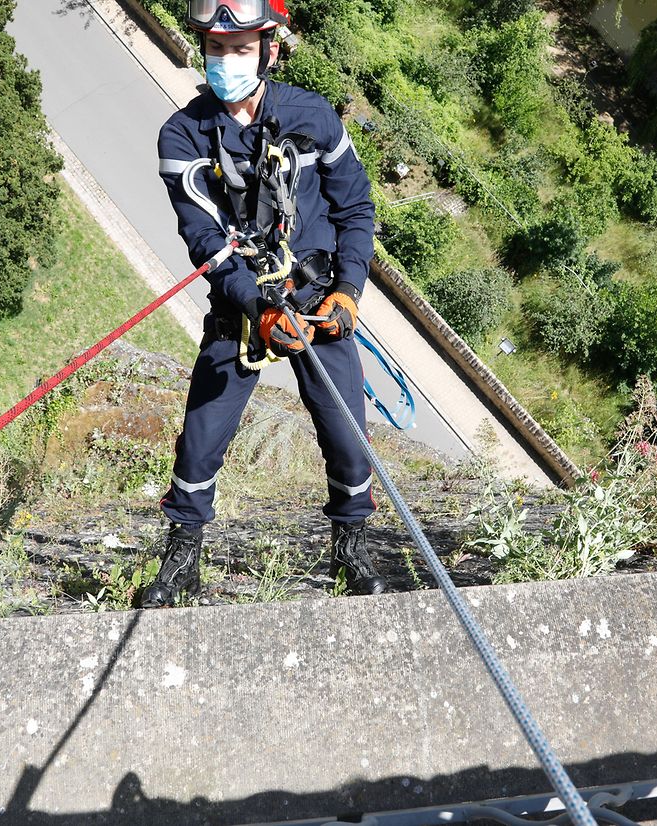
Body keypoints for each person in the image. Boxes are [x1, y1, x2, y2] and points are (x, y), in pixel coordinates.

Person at [142, 0, 388, 607]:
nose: (226, 60)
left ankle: (351, 546)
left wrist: (347, 290)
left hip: (313, 296)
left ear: (270, 49)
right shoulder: (183, 136)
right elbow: (206, 243)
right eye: (216, 48)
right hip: (242, 302)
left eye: (241, 48)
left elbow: (355, 209)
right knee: (201, 434)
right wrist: (256, 305)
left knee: (348, 433)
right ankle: (183, 555)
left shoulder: (313, 118)